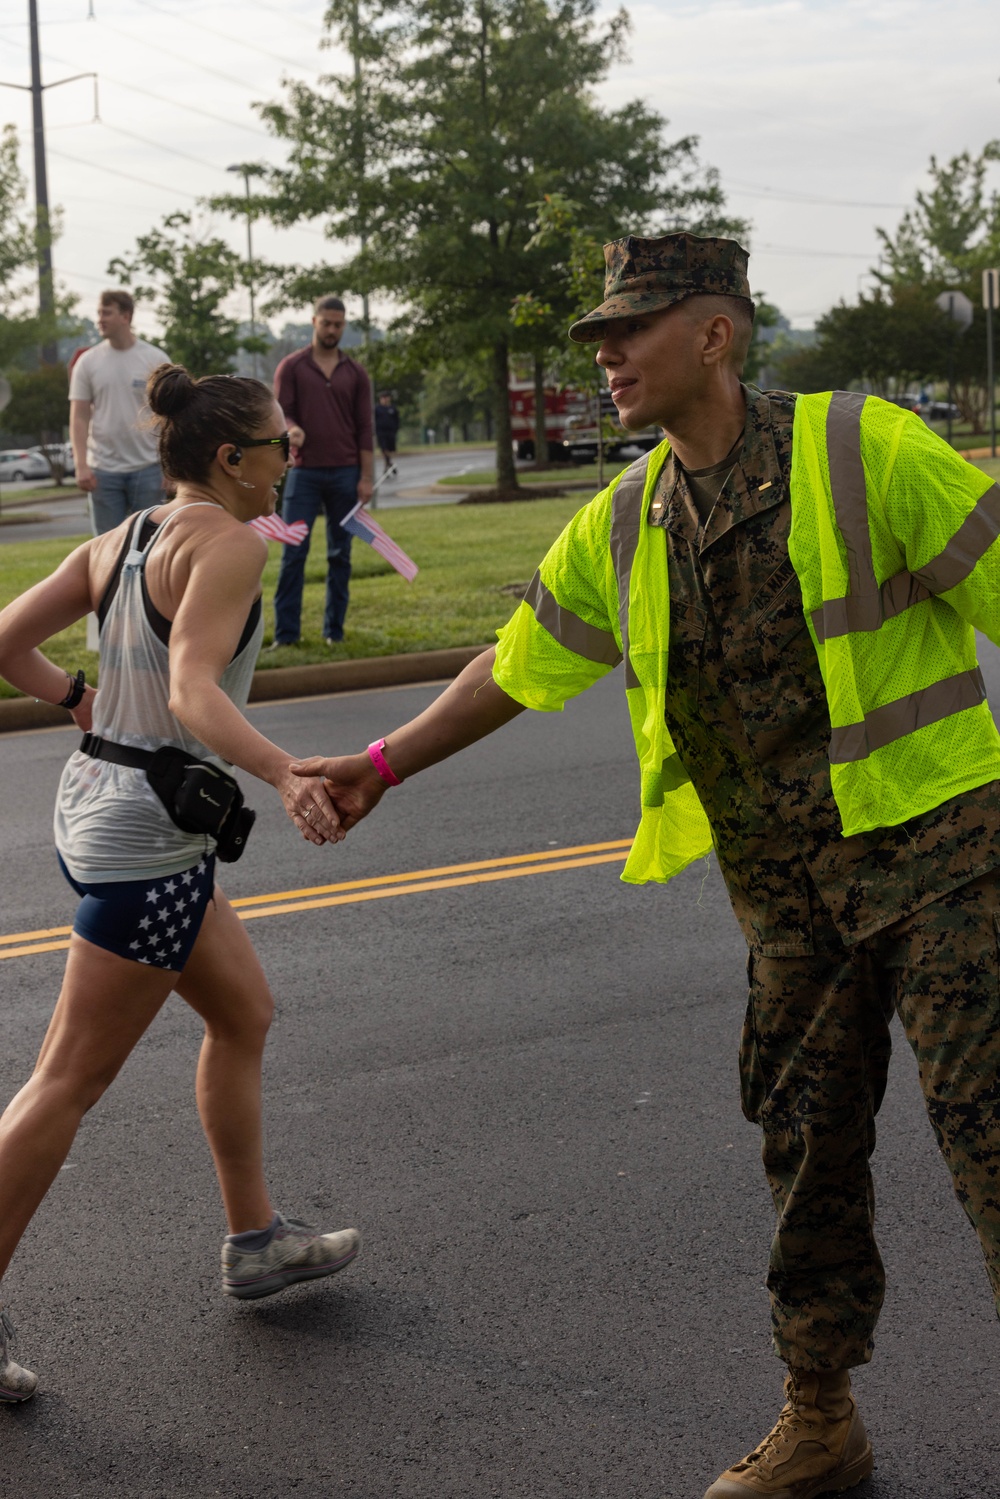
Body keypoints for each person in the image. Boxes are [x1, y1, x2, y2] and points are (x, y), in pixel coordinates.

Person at [290, 232, 1000, 1498]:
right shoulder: (624, 519)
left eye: (632, 327)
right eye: (598, 336)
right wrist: (381, 764)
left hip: (940, 857)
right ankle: (820, 1417)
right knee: (805, 1155)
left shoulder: (864, 448)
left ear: (714, 334)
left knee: (990, 1133)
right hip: (785, 902)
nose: (605, 353)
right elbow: (518, 661)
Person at [0, 364, 361, 1403]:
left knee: (243, 1010)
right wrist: (286, 769)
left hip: (102, 805)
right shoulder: (230, 544)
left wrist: (78, 698)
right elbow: (194, 689)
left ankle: (255, 1240)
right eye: (281, 445)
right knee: (65, 1078)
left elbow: (5, 641)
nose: (292, 459)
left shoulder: (119, 539)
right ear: (229, 457)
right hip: (148, 839)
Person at [269, 294, 374, 649]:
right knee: (293, 553)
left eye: (338, 324)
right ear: (314, 322)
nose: (332, 330)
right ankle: (286, 636)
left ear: (344, 326)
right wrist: (292, 428)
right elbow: (279, 414)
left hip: (347, 472)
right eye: (326, 323)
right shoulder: (292, 367)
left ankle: (334, 632)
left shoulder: (355, 372)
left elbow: (365, 428)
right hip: (304, 472)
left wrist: (366, 477)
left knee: (340, 554)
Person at [69, 290, 169, 535]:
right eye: (99, 313)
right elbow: (79, 416)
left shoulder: (155, 359)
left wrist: (171, 468)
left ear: (126, 316)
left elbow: (169, 417)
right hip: (103, 471)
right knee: (106, 549)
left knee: (150, 546)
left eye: (107, 313)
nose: (100, 319)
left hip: (148, 468)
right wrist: (81, 465)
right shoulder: (88, 362)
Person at [375, 390, 400, 477]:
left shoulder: (392, 408)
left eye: (386, 397)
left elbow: (397, 420)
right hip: (381, 432)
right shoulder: (377, 409)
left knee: (390, 450)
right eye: (383, 398)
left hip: (391, 432)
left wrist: (396, 429)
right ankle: (390, 465)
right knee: (384, 449)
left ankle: (388, 466)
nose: (384, 399)